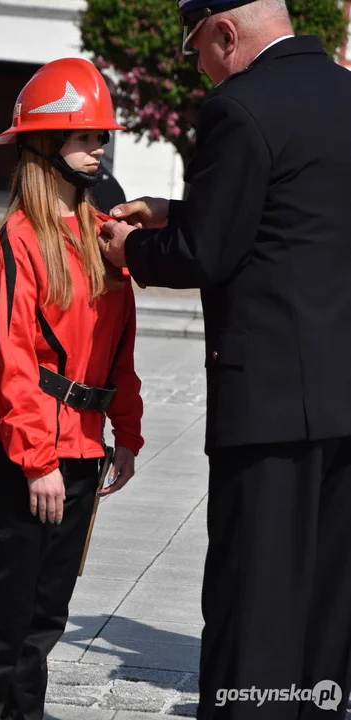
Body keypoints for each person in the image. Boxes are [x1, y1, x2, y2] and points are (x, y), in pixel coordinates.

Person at [99, 0, 351, 718]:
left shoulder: (238, 108)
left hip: (270, 403)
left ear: (224, 32)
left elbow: (209, 251)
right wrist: (173, 208)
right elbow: (293, 210)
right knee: (331, 605)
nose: (199, 70)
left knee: (255, 599)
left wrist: (132, 248)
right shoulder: (342, 92)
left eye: (197, 51)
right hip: (342, 398)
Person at [0, 57, 143, 720]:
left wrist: (126, 433)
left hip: (83, 451)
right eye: (84, 138)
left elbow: (117, 350)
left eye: (101, 137)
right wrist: (37, 458)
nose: (99, 150)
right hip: (22, 451)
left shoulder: (103, 238)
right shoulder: (17, 240)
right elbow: (11, 360)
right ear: (45, 144)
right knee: (3, 620)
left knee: (45, 617)